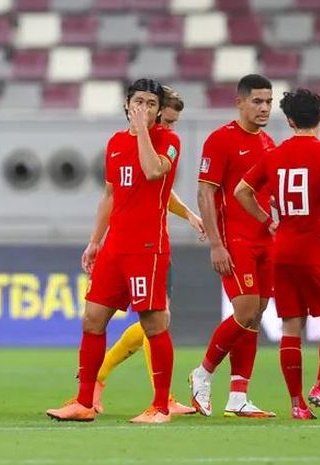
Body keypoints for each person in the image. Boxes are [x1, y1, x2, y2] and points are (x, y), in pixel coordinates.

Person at [46, 78, 180, 424]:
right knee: (92, 319)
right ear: (126, 104)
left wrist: (143, 132)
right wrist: (95, 240)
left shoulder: (169, 142)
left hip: (147, 247)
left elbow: (152, 171)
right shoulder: (116, 143)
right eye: (139, 102)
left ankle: (161, 407)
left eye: (152, 104)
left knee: (153, 323)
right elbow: (110, 195)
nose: (145, 109)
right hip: (115, 247)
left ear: (159, 110)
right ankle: (84, 402)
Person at [235, 88, 320, 420]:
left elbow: (241, 191)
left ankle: (297, 404)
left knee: (291, 326)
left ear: (288, 120)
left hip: (282, 248)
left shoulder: (274, 155)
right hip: (316, 246)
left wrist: (266, 220)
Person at [91, 87, 200, 416]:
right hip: (135, 245)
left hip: (152, 242)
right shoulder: (140, 142)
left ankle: (158, 397)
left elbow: (162, 192)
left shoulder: (162, 141)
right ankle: (102, 378)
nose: (170, 128)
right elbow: (134, 188)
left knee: (158, 319)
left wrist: (191, 216)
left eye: (174, 122)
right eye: (167, 120)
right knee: (155, 319)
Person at [188, 74, 276, 418]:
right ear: (239, 102)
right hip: (235, 240)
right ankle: (203, 373)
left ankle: (238, 396)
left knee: (257, 316)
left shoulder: (268, 142)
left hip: (265, 241)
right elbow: (205, 192)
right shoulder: (221, 140)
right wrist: (216, 244)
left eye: (268, 101)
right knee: (246, 312)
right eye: (257, 101)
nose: (264, 107)